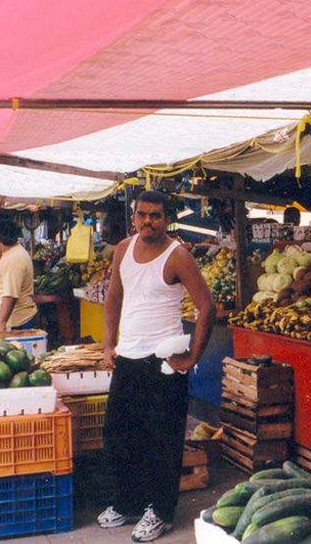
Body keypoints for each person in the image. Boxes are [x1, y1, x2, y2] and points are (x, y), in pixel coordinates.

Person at [98, 190, 215, 542]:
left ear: (167, 219)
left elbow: (206, 307)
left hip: (163, 361)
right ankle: (128, 501)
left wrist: (193, 356)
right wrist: (108, 343)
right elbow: (114, 296)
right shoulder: (123, 249)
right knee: (119, 435)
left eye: (156, 215)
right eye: (142, 214)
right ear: (134, 216)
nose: (148, 221)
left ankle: (161, 512)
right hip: (128, 358)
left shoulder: (177, 256)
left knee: (162, 441)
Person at [0, 218, 37, 341]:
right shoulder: (10, 254)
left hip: (16, 323)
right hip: (8, 322)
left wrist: (1, 323)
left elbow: (10, 295)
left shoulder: (14, 259)